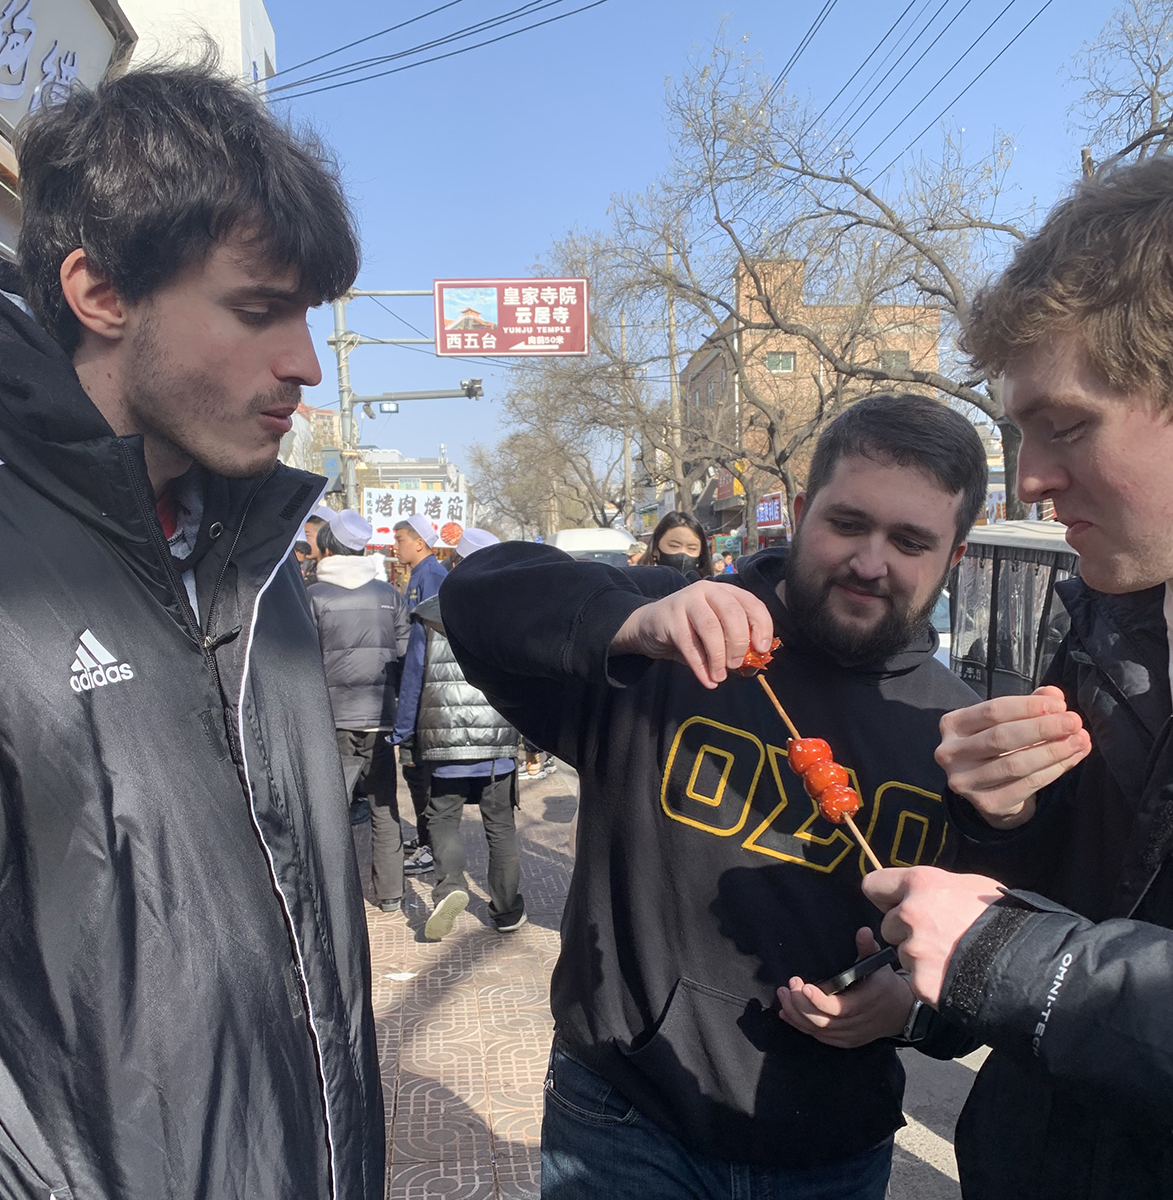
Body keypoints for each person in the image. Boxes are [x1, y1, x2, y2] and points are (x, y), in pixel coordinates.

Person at [0, 61, 383, 1198]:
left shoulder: (255, 557)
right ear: (100, 292)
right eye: (257, 311)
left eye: (306, 317)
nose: (301, 363)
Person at [442, 393, 986, 1199]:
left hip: (832, 1145)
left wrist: (908, 1007)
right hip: (627, 1119)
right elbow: (477, 598)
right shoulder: (676, 633)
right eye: (848, 523)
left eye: (910, 542)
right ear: (800, 513)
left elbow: (985, 970)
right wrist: (629, 624)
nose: (871, 562)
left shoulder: (958, 733)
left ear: (955, 556)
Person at [863, 156, 1173, 1200]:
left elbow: (1047, 958)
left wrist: (1016, 967)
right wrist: (1005, 821)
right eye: (1022, 431)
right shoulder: (1108, 614)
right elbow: (1092, 902)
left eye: (1069, 424)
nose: (1031, 479)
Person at [399, 527, 527, 940]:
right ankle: (507, 911)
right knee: (500, 825)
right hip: (497, 746)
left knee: (443, 819)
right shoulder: (513, 616)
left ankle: (449, 889)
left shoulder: (432, 612)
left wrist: (404, 732)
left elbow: (414, 677)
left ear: (456, 562)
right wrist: (537, 740)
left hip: (443, 741)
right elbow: (530, 681)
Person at [309, 508, 411, 912]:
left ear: (329, 547)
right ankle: (390, 894)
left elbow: (299, 659)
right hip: (380, 716)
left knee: (331, 808)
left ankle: (337, 896)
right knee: (384, 805)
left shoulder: (312, 596)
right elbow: (405, 655)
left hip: (331, 717)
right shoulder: (389, 595)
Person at [391, 512, 447, 875]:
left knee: (422, 773)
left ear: (419, 543)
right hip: (421, 689)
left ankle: (433, 846)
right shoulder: (421, 575)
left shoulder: (433, 577)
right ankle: (427, 838)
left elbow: (423, 650)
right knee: (416, 772)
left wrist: (407, 711)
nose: (394, 547)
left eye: (399, 541)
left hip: (428, 691)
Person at [641, 510, 712, 577]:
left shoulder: (710, 588)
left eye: (692, 548)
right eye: (674, 546)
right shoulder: (637, 585)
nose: (682, 552)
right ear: (655, 549)